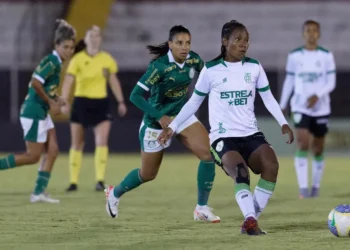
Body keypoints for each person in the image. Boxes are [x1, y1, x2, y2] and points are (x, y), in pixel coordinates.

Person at [159, 20, 294, 235]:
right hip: (223, 138)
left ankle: (250, 220)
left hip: (251, 134)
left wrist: (283, 122)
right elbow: (194, 102)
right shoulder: (210, 70)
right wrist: (173, 127)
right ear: (224, 41)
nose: (243, 44)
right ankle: (251, 221)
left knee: (271, 166)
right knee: (241, 173)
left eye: (246, 40)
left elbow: (268, 98)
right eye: (238, 39)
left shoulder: (254, 67)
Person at [104, 25, 220, 222]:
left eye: (188, 43)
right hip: (155, 124)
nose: (185, 48)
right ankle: (114, 193)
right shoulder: (159, 67)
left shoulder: (193, 59)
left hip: (182, 116)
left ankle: (201, 208)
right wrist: (159, 116)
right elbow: (135, 96)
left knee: (208, 155)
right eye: (180, 43)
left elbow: (209, 74)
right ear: (170, 45)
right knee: (148, 174)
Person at [0, 20, 76, 203]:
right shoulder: (51, 61)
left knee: (53, 150)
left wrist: (57, 98)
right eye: (65, 46)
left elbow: (44, 86)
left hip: (41, 111)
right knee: (33, 156)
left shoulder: (58, 63)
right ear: (56, 45)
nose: (69, 50)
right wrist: (51, 102)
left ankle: (38, 193)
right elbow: (35, 82)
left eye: (71, 47)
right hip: (33, 112)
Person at [61, 26, 127, 192]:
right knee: (77, 143)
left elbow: (113, 81)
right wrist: (64, 101)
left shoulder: (106, 59)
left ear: (100, 39)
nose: (95, 39)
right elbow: (68, 81)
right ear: (86, 39)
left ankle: (99, 180)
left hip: (101, 103)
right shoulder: (77, 59)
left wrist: (121, 101)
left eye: (97, 36)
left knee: (102, 141)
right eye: (92, 36)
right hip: (81, 102)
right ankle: (73, 181)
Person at [279, 20, 336, 199]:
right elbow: (289, 81)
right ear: (303, 34)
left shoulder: (326, 55)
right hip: (300, 106)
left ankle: (315, 187)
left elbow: (331, 82)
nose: (311, 34)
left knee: (318, 149)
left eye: (314, 31)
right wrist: (282, 103)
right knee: (303, 143)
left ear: (318, 34)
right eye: (308, 31)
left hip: (321, 108)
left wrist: (317, 95)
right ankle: (303, 189)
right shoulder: (295, 56)